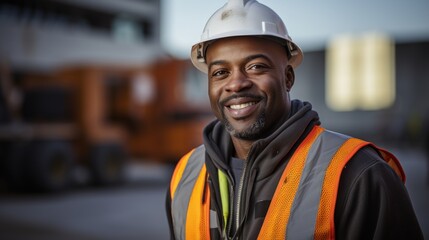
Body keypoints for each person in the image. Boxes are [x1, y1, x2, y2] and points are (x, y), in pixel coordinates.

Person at [165, 0, 424, 239]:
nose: (236, 84)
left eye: (256, 66)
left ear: (288, 77)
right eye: (221, 72)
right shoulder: (186, 175)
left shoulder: (358, 174)